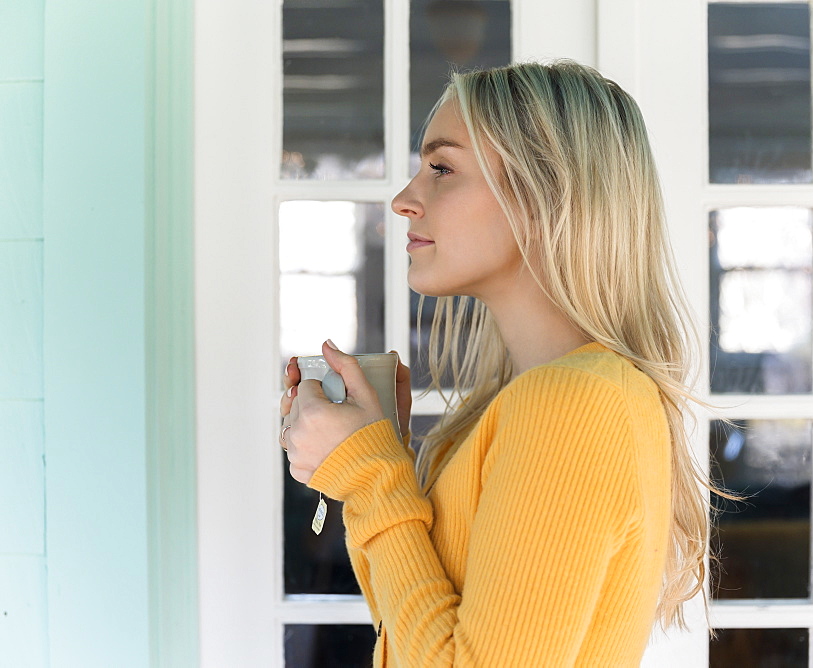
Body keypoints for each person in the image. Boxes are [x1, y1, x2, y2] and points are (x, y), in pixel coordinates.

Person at [278, 60, 711, 666]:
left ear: (545, 194)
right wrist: (373, 460)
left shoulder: (573, 404)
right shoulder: (556, 398)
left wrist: (374, 477)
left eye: (440, 168)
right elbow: (408, 641)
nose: (404, 200)